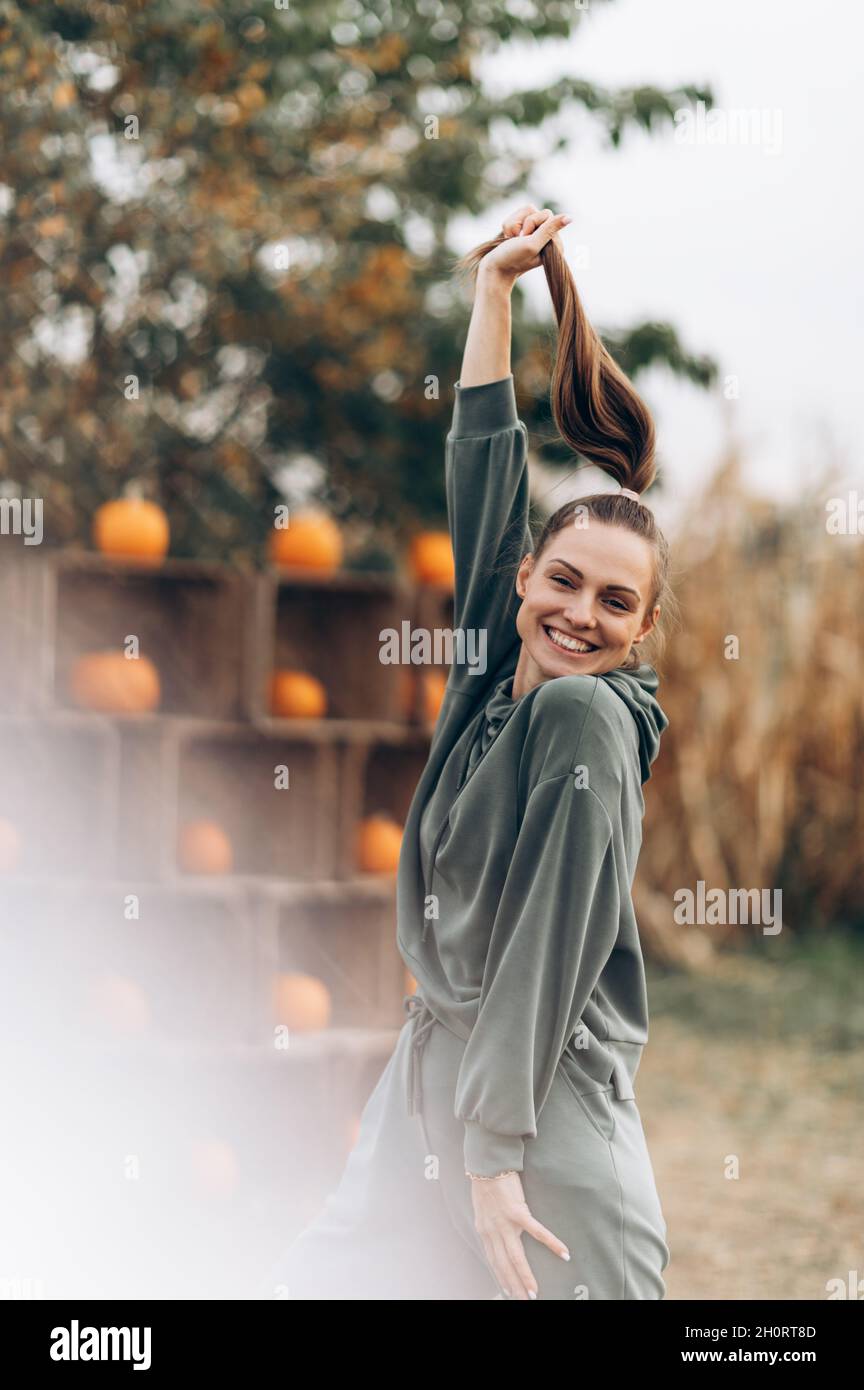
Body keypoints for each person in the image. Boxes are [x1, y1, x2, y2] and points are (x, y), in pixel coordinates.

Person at [263, 204, 674, 1301]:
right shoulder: (492, 678)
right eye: (563, 580)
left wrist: (493, 1152)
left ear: (642, 629)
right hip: (426, 1081)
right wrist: (492, 295)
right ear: (526, 577)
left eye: (616, 601)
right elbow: (483, 479)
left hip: (535, 1109)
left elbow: (544, 949)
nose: (581, 613)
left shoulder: (586, 720)